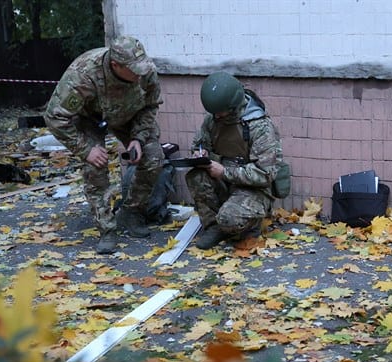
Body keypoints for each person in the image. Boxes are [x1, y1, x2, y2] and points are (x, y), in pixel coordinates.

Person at [44, 36, 164, 254]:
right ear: (115, 65)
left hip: (128, 116)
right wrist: (86, 149)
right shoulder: (83, 74)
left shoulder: (145, 70)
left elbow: (151, 105)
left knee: (153, 155)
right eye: (133, 69)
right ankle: (107, 228)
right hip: (90, 119)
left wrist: (138, 137)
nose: (140, 74)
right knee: (95, 167)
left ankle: (132, 213)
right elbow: (54, 117)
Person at [187, 71, 284, 249]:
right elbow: (200, 144)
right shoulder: (213, 119)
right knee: (196, 176)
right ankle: (214, 227)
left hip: (254, 190)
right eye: (214, 114)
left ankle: (247, 225)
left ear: (232, 107)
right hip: (225, 182)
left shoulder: (260, 126)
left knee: (229, 218)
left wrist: (224, 172)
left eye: (220, 114)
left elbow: (264, 174)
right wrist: (199, 154)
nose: (216, 117)